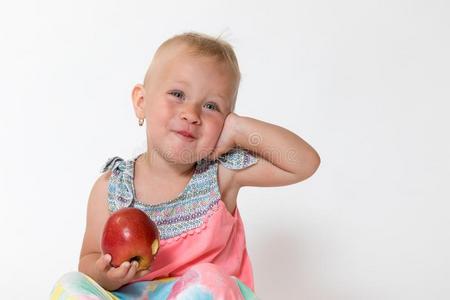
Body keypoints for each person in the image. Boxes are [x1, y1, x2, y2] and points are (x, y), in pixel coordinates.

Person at [50, 31, 320, 299]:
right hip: (133, 295)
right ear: (142, 103)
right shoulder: (113, 188)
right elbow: (88, 260)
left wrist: (240, 129)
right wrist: (105, 275)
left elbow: (303, 163)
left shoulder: (222, 175)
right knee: (70, 285)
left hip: (202, 294)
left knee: (210, 279)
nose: (191, 114)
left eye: (212, 106)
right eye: (178, 94)